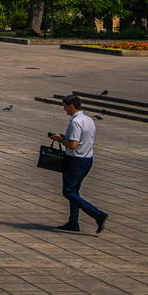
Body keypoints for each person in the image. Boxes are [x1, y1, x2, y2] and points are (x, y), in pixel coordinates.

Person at [48, 95, 107, 233]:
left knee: (68, 191)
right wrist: (63, 137)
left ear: (71, 106)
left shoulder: (75, 122)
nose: (64, 109)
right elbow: (81, 139)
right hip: (87, 159)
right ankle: (73, 221)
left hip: (76, 160)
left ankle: (98, 215)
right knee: (75, 191)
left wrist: (59, 140)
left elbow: (73, 145)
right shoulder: (88, 120)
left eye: (65, 106)